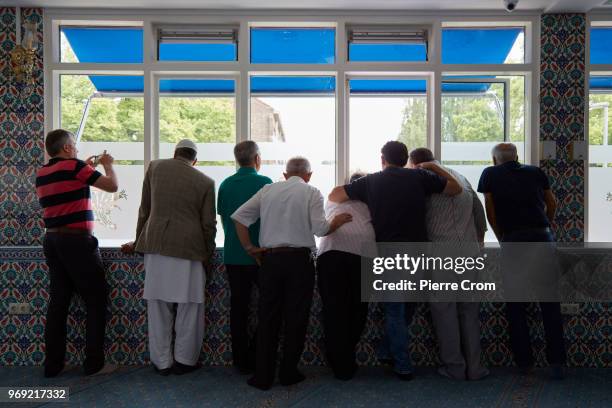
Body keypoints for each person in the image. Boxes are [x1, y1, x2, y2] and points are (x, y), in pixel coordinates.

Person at [328, 141, 463, 380]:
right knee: (406, 307)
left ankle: (400, 362)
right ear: (405, 159)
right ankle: (391, 353)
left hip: (389, 252)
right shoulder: (420, 176)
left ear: (382, 159)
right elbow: (455, 188)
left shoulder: (371, 181)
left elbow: (335, 194)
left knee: (395, 310)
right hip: (418, 251)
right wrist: (434, 167)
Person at [231, 157, 352, 391]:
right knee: (296, 318)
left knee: (268, 318)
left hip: (271, 260)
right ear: (309, 175)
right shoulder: (311, 191)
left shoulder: (268, 190)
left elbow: (239, 217)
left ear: (285, 175)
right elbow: (321, 229)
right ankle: (288, 373)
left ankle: (263, 376)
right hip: (300, 262)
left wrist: (249, 248)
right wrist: (336, 221)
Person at [122, 140, 216, 376]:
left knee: (158, 307)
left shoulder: (155, 167)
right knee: (190, 308)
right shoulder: (205, 181)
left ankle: (162, 362)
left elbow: (145, 209)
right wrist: (208, 254)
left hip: (156, 245)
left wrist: (138, 242)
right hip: (190, 249)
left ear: (174, 154)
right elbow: (208, 224)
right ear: (195, 160)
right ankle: (185, 361)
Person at [477, 142, 566, 380]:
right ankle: (557, 363)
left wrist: (502, 237)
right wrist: (545, 227)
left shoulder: (489, 174)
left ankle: (525, 363)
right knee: (550, 303)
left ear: (495, 159)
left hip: (514, 240)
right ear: (516, 156)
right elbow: (552, 203)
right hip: (542, 238)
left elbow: (491, 211)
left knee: (516, 304)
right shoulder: (535, 171)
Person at [36, 129, 118, 377]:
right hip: (77, 242)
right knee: (96, 300)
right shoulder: (75, 167)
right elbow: (112, 186)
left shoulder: (42, 173)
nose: (77, 149)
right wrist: (108, 165)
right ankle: (94, 364)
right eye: (74, 145)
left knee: (58, 303)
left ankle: (53, 365)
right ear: (68, 148)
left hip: (52, 240)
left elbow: (70, 176)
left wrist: (85, 165)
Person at [408, 147, 489, 381]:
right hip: (469, 253)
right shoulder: (461, 178)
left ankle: (454, 367)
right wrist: (479, 242)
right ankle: (474, 368)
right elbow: (478, 212)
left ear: (415, 164)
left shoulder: (424, 180)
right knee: (469, 312)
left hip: (441, 253)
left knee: (444, 313)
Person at [217, 141, 272, 374]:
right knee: (268, 307)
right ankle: (258, 354)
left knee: (238, 308)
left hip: (232, 254)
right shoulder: (265, 183)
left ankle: (240, 360)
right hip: (261, 255)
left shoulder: (226, 184)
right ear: (257, 158)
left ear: (236, 160)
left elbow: (224, 220)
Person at [317, 172, 376, 381]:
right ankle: (345, 359)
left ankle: (339, 361)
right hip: (361, 257)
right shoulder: (369, 203)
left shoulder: (333, 199)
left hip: (332, 256)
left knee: (335, 311)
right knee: (357, 311)